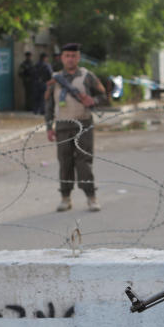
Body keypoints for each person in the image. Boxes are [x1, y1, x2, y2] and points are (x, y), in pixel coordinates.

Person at [45, 42, 107, 212]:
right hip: (63, 125)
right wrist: (49, 127)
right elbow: (49, 105)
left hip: (84, 124)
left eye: (73, 56)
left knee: (84, 162)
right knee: (65, 162)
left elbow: (104, 96)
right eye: (67, 56)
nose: (70, 59)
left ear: (78, 58)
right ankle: (65, 198)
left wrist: (93, 101)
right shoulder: (55, 79)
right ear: (62, 58)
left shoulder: (88, 77)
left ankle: (91, 197)